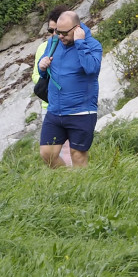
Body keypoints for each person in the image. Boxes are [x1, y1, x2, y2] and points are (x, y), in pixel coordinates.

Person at [37, 10, 102, 168]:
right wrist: (42, 66)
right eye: (58, 32)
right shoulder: (54, 42)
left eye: (64, 33)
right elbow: (43, 70)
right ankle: (67, 182)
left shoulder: (93, 45)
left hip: (81, 111)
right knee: (47, 153)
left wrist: (80, 44)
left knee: (78, 155)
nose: (60, 36)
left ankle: (82, 189)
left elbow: (92, 69)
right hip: (55, 110)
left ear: (77, 28)